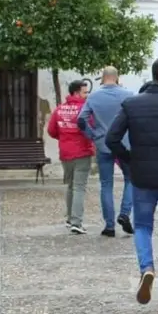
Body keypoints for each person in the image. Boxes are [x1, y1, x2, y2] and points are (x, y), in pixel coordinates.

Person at [106, 57, 158, 306]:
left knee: (142, 226)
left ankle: (147, 268)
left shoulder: (132, 104)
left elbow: (112, 139)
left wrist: (130, 159)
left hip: (141, 176)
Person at [78, 66, 134, 237]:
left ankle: (109, 225)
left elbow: (81, 119)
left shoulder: (93, 96)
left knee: (106, 184)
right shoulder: (129, 95)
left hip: (103, 143)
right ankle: (124, 213)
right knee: (131, 179)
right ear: (117, 78)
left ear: (102, 78)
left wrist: (92, 135)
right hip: (124, 143)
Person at [47, 80, 96, 234]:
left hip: (65, 153)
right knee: (79, 187)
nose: (86, 95)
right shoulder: (85, 110)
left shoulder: (59, 110)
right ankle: (76, 221)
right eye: (84, 92)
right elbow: (92, 128)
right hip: (82, 152)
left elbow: (51, 130)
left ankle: (69, 219)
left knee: (70, 185)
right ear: (76, 92)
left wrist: (64, 138)